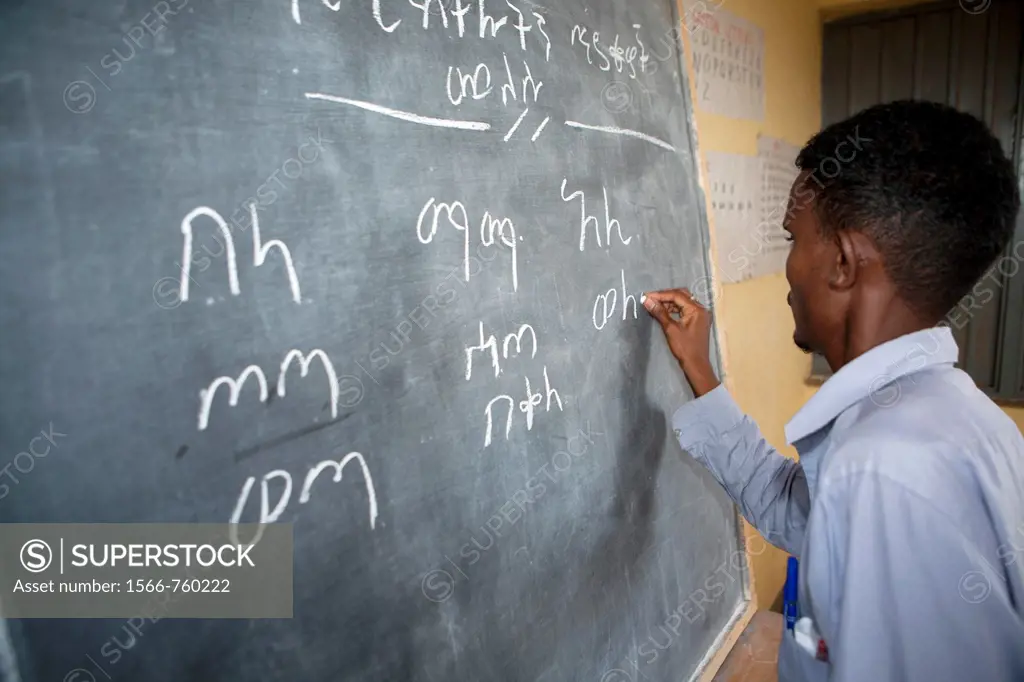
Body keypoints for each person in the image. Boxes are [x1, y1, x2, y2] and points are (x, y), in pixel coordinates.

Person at [643, 99, 1024, 682]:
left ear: (843, 262)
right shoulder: (954, 414)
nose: (789, 267)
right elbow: (793, 508)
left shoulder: (885, 468)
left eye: (794, 238)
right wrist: (700, 369)